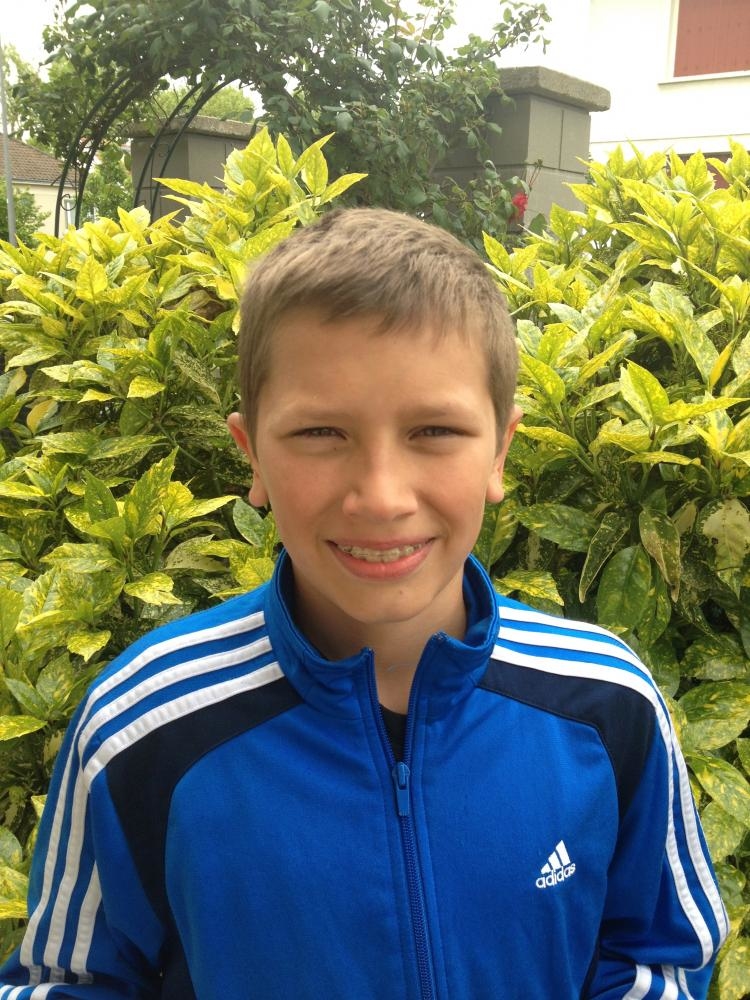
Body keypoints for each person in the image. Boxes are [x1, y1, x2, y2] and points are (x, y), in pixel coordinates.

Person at [0, 208, 726, 999]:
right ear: (252, 456)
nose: (381, 497)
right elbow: (71, 981)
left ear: (500, 451)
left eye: (434, 431)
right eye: (320, 433)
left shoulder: (605, 704)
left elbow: (658, 958)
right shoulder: (144, 723)